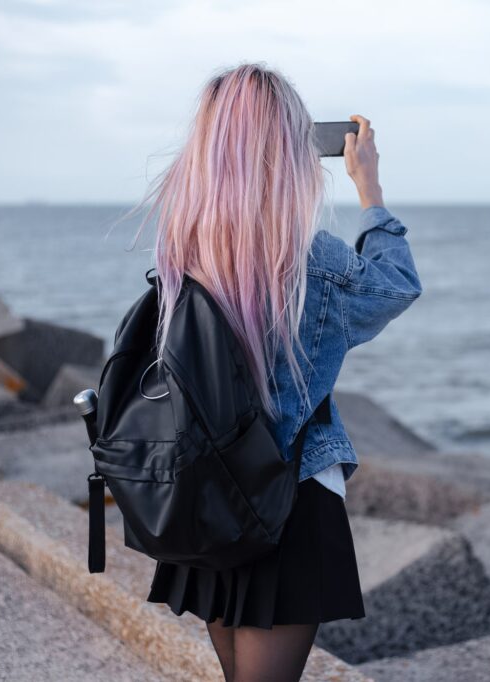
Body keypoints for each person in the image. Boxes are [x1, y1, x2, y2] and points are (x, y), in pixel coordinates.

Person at [138, 62, 422, 682]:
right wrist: (369, 189)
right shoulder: (309, 259)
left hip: (202, 497)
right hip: (288, 502)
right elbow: (396, 287)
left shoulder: (181, 253)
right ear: (289, 150)